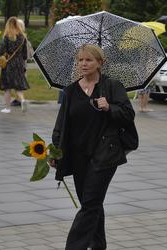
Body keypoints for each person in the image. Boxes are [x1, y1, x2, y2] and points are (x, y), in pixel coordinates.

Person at [51, 44, 135, 250]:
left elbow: (128, 115)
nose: (83, 64)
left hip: (105, 154)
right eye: (80, 60)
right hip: (79, 155)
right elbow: (61, 125)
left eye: (88, 60)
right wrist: (55, 151)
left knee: (89, 204)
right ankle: (99, 245)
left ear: (100, 63)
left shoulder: (112, 86)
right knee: (92, 203)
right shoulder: (70, 91)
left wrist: (110, 107)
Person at [0, 17, 29, 113]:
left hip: (9, 64)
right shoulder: (23, 37)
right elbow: (25, 55)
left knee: (7, 87)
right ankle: (22, 100)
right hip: (19, 64)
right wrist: (22, 64)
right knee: (18, 87)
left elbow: (0, 51)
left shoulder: (7, 36)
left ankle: (7, 108)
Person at [10, 18, 34, 107]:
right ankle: (18, 99)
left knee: (17, 82)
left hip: (20, 64)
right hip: (20, 64)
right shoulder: (20, 37)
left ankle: (20, 100)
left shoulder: (21, 38)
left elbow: (26, 54)